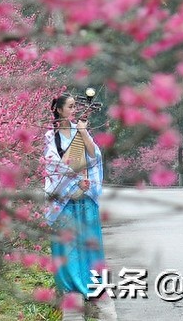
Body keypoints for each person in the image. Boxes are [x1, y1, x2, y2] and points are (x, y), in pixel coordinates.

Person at [44, 94, 118, 321]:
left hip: (84, 195)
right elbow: (53, 165)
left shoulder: (80, 130)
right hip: (67, 196)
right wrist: (72, 183)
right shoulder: (50, 136)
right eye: (70, 106)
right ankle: (71, 284)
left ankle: (93, 283)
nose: (73, 110)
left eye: (75, 106)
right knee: (68, 243)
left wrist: (84, 132)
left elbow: (94, 156)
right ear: (57, 110)